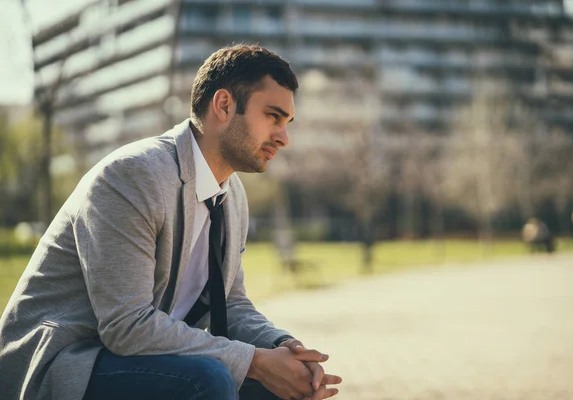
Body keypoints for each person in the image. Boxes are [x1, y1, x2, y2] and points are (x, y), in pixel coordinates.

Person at [0, 44, 342, 400]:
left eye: (287, 122)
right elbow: (125, 326)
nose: (284, 137)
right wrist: (255, 361)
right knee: (209, 379)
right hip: (67, 361)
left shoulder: (232, 194)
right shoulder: (134, 175)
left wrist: (285, 348)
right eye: (273, 116)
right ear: (224, 106)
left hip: (141, 357)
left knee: (285, 388)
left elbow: (232, 303)